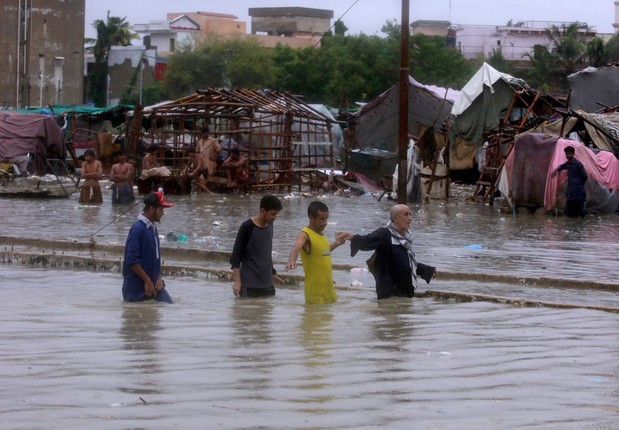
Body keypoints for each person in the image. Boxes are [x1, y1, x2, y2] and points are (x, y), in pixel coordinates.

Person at [345, 204, 437, 300]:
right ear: (396, 218)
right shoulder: (385, 234)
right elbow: (367, 241)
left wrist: (426, 270)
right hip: (389, 294)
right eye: (406, 215)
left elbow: (406, 263)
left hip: (404, 293)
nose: (410, 218)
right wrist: (352, 238)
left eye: (410, 215)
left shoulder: (406, 239)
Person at [286, 201, 348, 304]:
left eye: (326, 218)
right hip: (315, 294)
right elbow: (296, 248)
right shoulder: (305, 234)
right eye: (321, 219)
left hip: (329, 291)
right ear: (311, 218)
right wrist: (291, 261)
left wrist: (336, 243)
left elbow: (323, 253)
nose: (325, 223)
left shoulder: (321, 234)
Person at [122, 191, 174, 303]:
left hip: (155, 286)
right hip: (136, 289)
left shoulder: (152, 227)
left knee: (169, 306)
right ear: (151, 209)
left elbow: (155, 257)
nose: (163, 213)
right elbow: (131, 260)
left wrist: (158, 277)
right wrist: (147, 281)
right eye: (161, 210)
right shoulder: (137, 229)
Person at [230, 195, 284, 297]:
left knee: (267, 310)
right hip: (249, 284)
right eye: (273, 214)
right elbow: (236, 257)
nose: (275, 217)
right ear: (263, 211)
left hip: (267, 284)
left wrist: (272, 273)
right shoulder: (247, 227)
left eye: (276, 214)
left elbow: (266, 252)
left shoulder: (270, 225)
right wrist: (237, 281)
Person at [551, 145, 588, 217]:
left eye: (569, 154)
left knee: (579, 212)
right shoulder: (568, 164)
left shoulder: (578, 164)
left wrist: (579, 185)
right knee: (569, 212)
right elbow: (561, 166)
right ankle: (572, 226)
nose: (567, 155)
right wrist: (555, 170)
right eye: (566, 154)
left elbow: (585, 176)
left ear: (573, 154)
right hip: (571, 192)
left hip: (578, 192)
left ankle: (580, 226)